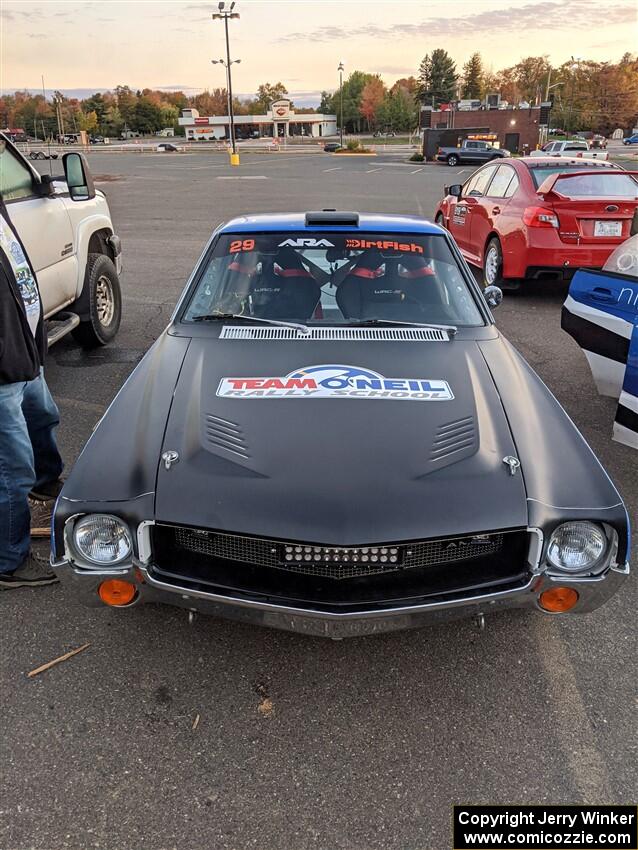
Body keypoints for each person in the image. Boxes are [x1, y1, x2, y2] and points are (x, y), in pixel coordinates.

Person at [0, 206, 63, 589]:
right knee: (11, 470)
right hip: (4, 368)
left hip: (25, 355)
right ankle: (10, 560)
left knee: (44, 419)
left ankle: (46, 483)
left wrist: (33, 347)